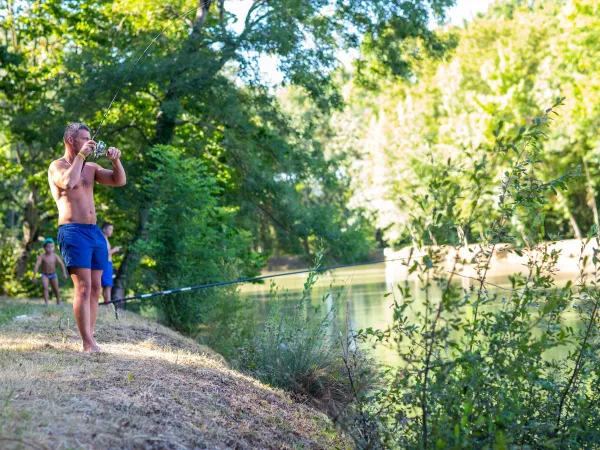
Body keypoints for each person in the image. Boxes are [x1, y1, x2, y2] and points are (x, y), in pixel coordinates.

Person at [48, 123, 126, 352]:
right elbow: (69, 182)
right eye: (84, 139)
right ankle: (87, 343)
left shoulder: (91, 167)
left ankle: (90, 338)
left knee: (94, 287)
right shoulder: (56, 166)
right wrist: (81, 156)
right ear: (71, 140)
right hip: (72, 230)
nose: (89, 142)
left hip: (94, 232)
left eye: (90, 138)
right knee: (82, 287)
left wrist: (115, 160)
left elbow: (118, 180)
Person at [32, 237, 68, 306]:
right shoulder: (42, 256)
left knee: (56, 289)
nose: (50, 248)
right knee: (45, 287)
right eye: (48, 247)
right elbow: (37, 265)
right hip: (44, 274)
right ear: (44, 248)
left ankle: (58, 301)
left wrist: (64, 273)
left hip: (53, 275)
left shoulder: (55, 256)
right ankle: (46, 302)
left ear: (54, 247)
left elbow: (61, 264)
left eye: (52, 246)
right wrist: (34, 276)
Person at [100, 222, 121, 304]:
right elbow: (104, 253)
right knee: (108, 285)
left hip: (107, 264)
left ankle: (106, 303)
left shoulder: (105, 239)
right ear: (104, 229)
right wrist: (114, 249)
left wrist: (114, 252)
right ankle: (108, 304)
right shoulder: (103, 239)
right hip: (106, 264)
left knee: (106, 285)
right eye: (109, 229)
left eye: (112, 229)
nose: (111, 231)